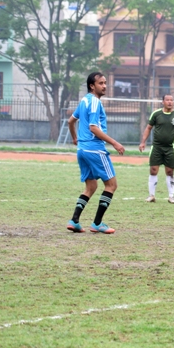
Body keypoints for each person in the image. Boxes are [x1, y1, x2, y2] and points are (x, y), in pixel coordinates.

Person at [66, 72, 125, 233]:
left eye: (105, 83)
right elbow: (93, 127)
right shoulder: (94, 103)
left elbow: (71, 121)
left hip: (82, 150)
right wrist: (114, 142)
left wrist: (74, 138)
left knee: (91, 186)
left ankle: (74, 220)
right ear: (92, 86)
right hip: (95, 150)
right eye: (101, 83)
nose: (104, 86)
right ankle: (97, 223)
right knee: (111, 185)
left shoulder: (84, 100)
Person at [139, 95, 174, 203]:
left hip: (170, 148)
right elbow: (148, 128)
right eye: (167, 100)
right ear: (163, 102)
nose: (170, 102)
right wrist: (143, 142)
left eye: (171, 100)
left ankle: (171, 196)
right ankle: (151, 195)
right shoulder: (156, 114)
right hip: (156, 147)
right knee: (153, 170)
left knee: (170, 171)